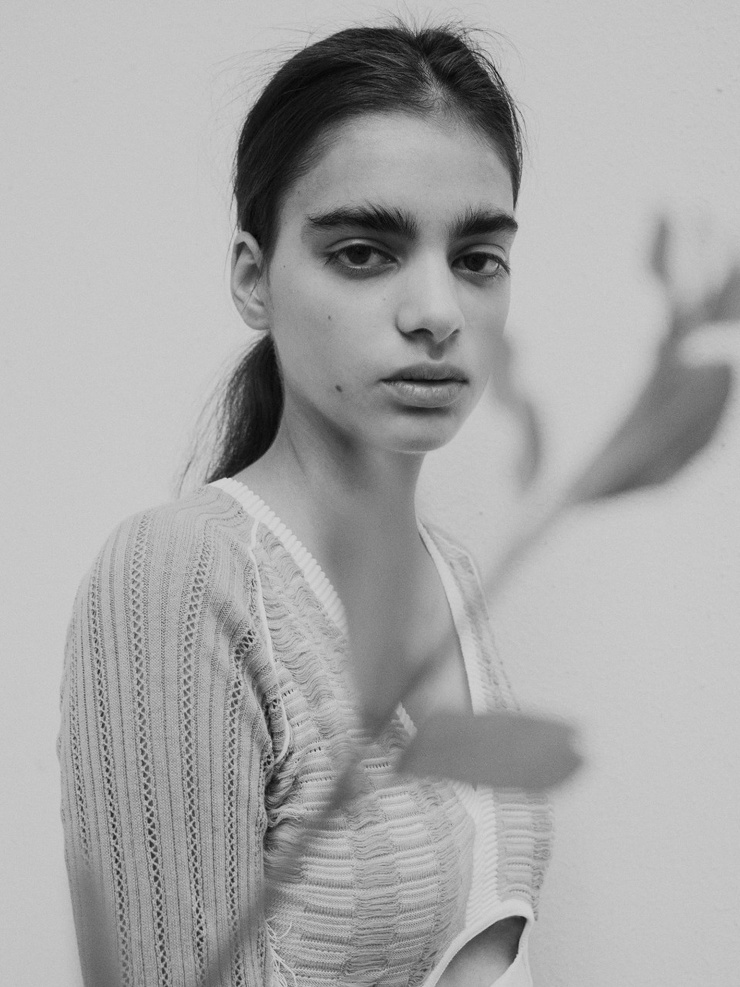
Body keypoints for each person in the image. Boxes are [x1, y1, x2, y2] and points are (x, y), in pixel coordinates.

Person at [58, 21, 554, 987]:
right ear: (254, 278)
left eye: (477, 257)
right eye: (365, 252)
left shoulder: (453, 573)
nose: (438, 312)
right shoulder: (182, 577)